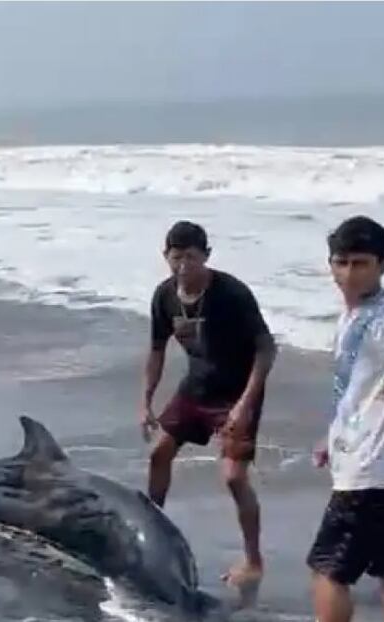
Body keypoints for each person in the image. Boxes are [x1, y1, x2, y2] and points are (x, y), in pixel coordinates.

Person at [139, 220, 276, 601]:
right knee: (158, 454)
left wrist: (245, 405)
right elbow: (156, 350)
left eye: (192, 257)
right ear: (165, 256)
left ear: (207, 256)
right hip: (196, 387)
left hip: (237, 392)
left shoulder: (231, 293)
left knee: (233, 478)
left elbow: (266, 349)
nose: (183, 266)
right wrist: (145, 401)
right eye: (176, 257)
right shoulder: (164, 295)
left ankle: (253, 560)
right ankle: (153, 535)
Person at [307, 216, 384, 622]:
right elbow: (360, 389)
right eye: (340, 262)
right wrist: (333, 437)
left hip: (371, 470)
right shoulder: (356, 314)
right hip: (377, 465)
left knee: (328, 571)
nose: (348, 274)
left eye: (360, 263)